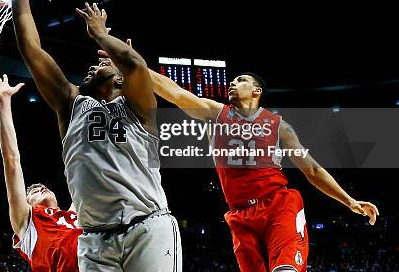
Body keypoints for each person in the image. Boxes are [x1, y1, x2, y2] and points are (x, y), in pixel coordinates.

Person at [0, 0, 182, 272]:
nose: (92, 66)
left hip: (147, 227)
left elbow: (136, 65)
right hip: (94, 240)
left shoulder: (139, 109)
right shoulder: (71, 104)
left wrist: (101, 36)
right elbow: (33, 51)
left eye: (104, 65)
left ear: (120, 78)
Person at [148, 70, 379, 272]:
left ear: (256, 90)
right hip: (240, 216)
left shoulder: (279, 126)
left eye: (241, 80)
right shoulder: (216, 114)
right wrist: (133, 65)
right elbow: (175, 93)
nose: (232, 82)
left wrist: (349, 201)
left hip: (278, 205)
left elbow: (313, 170)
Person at [0, 74, 81, 272]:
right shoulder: (28, 223)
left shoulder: (73, 216)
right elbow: (12, 161)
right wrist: (4, 101)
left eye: (40, 187)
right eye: (33, 191)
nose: (40, 187)